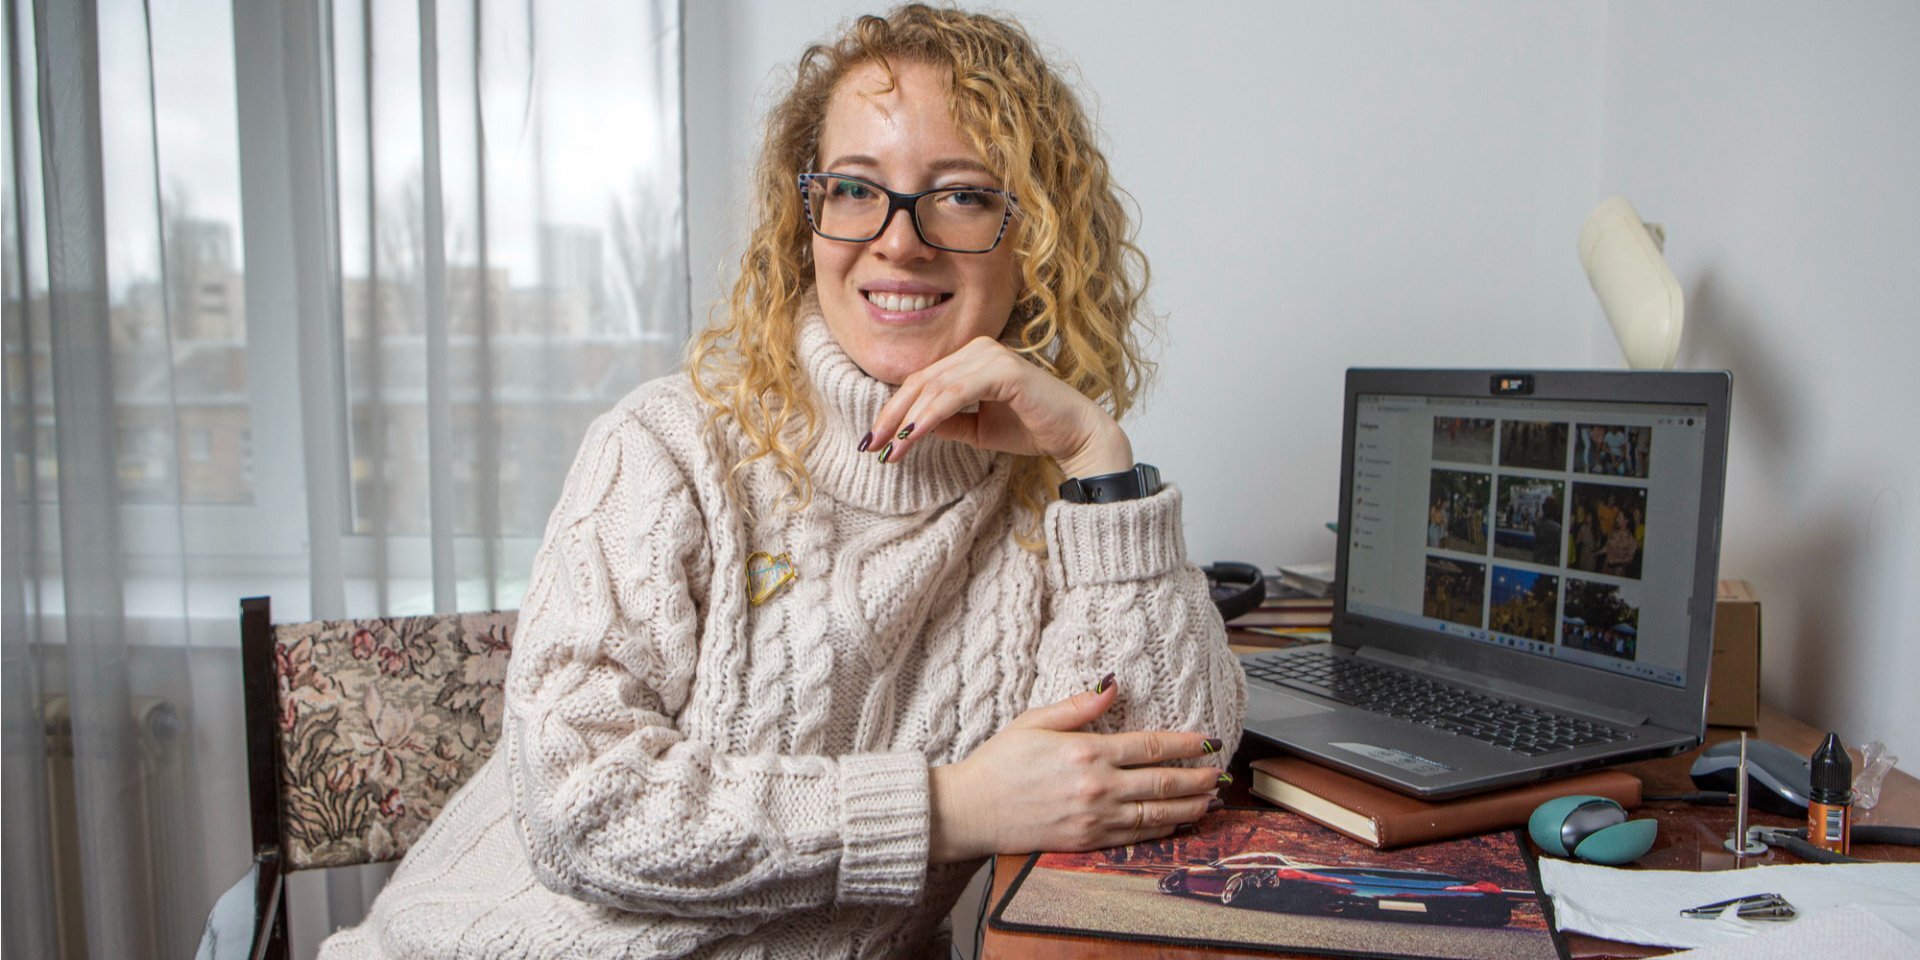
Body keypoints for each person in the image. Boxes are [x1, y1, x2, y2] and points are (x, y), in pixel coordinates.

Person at [317, 6, 1245, 959]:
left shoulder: (1058, 510)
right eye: (855, 188)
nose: (900, 241)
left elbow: (1172, 773)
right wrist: (950, 807)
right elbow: (581, 807)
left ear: (1037, 236)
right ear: (808, 218)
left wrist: (1097, 457)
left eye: (962, 196)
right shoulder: (667, 448)